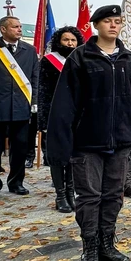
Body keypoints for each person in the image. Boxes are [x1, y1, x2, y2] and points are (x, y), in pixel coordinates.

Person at [47, 5, 131, 261]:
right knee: (89, 197)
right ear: (96, 25)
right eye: (107, 21)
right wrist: (59, 146)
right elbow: (64, 105)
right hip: (87, 143)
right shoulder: (81, 58)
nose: (113, 26)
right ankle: (89, 247)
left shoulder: (129, 60)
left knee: (113, 196)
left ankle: (107, 243)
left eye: (117, 21)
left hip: (121, 143)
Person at [0, 16, 39, 201]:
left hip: (21, 106)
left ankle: (16, 182)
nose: (19, 30)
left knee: (20, 149)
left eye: (20, 26)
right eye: (15, 27)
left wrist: (34, 100)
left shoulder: (30, 50)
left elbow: (35, 77)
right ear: (3, 29)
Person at [38, 27, 85, 213]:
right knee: (58, 156)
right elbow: (42, 91)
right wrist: (43, 121)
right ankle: (60, 194)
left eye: (73, 40)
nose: (70, 43)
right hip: (54, 115)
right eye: (66, 40)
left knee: (73, 156)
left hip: (76, 115)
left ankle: (71, 192)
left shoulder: (81, 59)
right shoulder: (48, 61)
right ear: (59, 41)